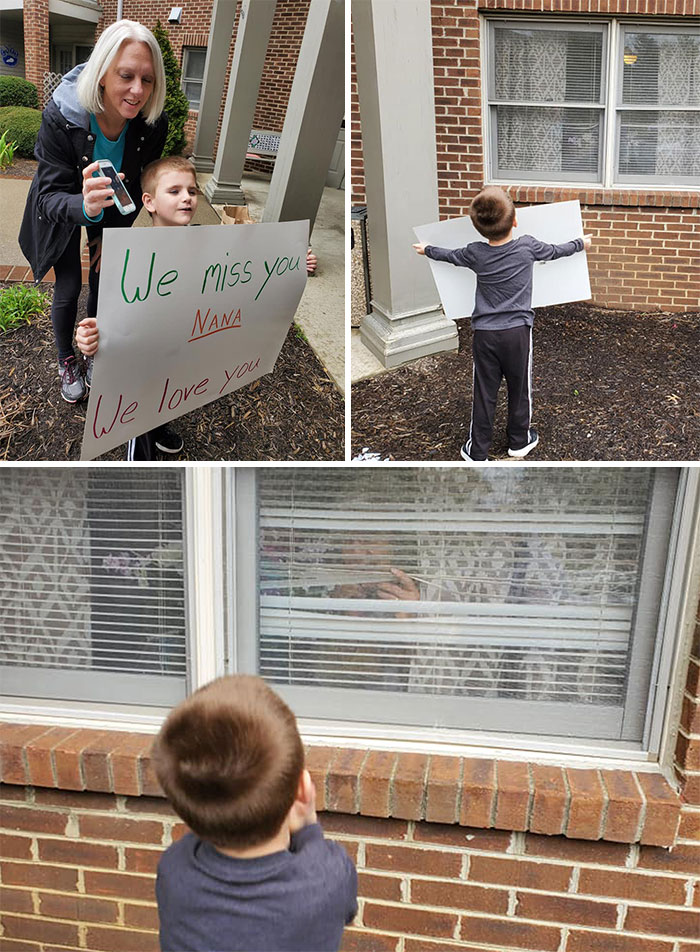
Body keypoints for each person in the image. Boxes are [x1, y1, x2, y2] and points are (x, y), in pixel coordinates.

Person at [19, 19, 168, 404]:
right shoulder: (61, 116)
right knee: (69, 284)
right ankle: (66, 357)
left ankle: (93, 354)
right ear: (102, 74)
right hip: (66, 206)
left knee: (104, 279)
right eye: (126, 75)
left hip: (111, 209)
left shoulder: (151, 125)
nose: (137, 91)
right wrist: (82, 206)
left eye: (147, 80)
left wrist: (112, 235)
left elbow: (136, 187)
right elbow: (47, 196)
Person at [152, 674, 358, 952]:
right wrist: (308, 826)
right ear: (302, 790)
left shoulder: (174, 870)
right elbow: (345, 908)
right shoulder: (328, 876)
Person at [414, 186, 592, 462]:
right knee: (520, 387)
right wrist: (581, 243)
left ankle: (477, 450)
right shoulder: (528, 246)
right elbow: (556, 251)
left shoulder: (475, 252)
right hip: (518, 334)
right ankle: (519, 441)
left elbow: (449, 255)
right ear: (516, 220)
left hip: (485, 335)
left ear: (477, 228)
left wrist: (427, 249)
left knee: (484, 391)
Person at [76, 155, 197, 459]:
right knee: (142, 412)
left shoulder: (206, 249)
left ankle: (159, 426)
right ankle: (140, 453)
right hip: (140, 359)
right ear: (150, 201)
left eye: (192, 191)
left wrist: (290, 263)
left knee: (167, 391)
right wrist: (92, 337)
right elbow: (114, 314)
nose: (186, 198)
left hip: (178, 349)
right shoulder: (131, 254)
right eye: (175, 191)